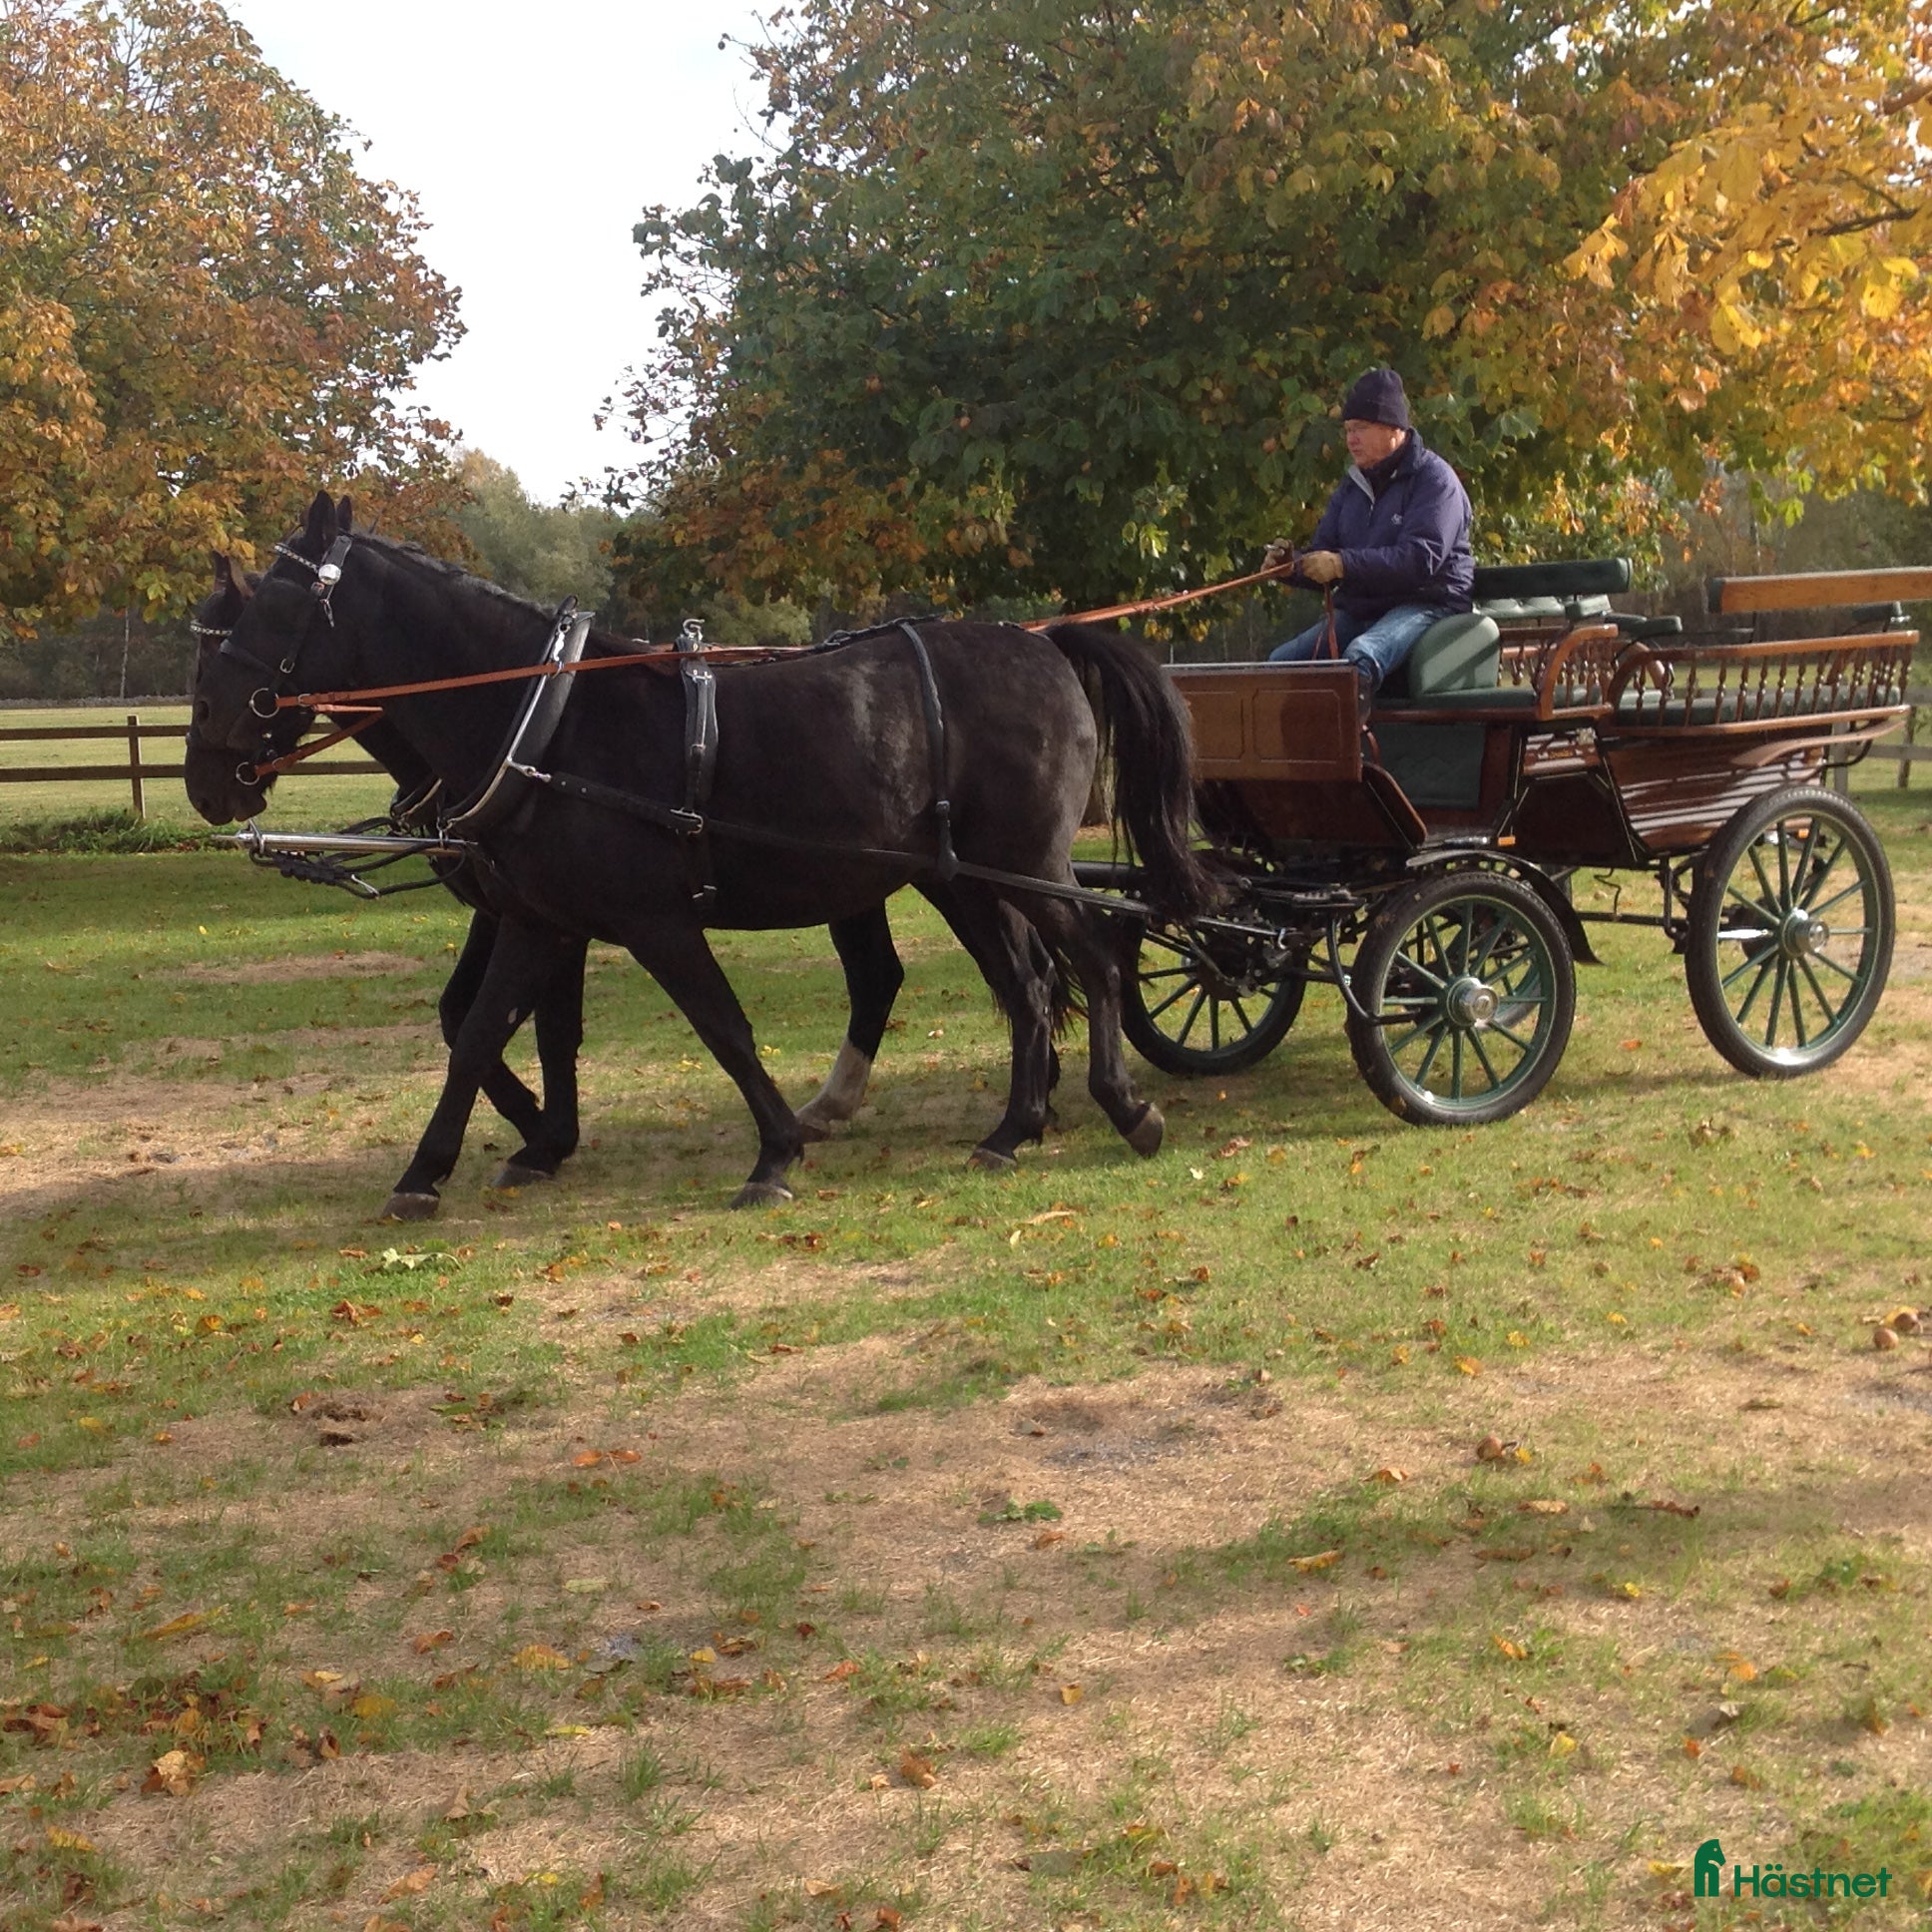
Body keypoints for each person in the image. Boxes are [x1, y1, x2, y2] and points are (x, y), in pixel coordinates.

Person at [1263, 368, 1474, 705]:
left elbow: (1420, 560)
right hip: (1365, 609)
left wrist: (1342, 565)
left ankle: (1352, 754)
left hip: (1428, 604)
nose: (1350, 440)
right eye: (1347, 430)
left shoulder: (1435, 481)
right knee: (1279, 664)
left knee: (1361, 657)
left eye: (1360, 428)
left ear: (1393, 428)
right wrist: (1290, 568)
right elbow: (1324, 553)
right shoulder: (1352, 486)